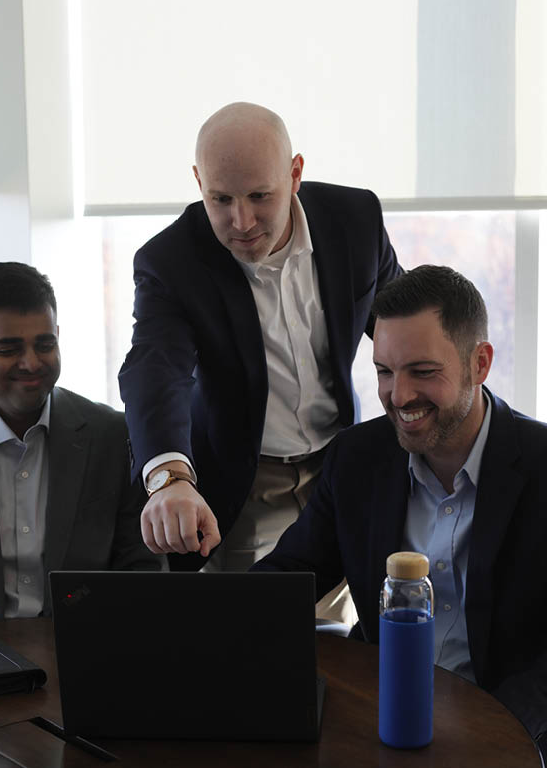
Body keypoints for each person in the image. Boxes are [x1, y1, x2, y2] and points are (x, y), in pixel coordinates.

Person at [119, 101, 401, 621]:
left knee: (343, 645)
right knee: (249, 639)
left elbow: (401, 325)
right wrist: (169, 478)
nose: (240, 221)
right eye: (220, 198)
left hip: (338, 467)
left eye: (259, 197)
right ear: (198, 180)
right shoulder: (171, 260)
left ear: (295, 174)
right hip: (247, 484)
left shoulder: (356, 219)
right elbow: (156, 369)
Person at [252, 264, 547, 756]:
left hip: (510, 731)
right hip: (381, 721)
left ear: (480, 363)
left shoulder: (542, 467)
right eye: (384, 372)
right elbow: (289, 577)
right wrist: (202, 623)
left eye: (423, 372)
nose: (399, 396)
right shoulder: (356, 458)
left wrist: (491, 733)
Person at [0, 262, 164, 621]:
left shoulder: (112, 435)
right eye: (8, 349)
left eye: (45, 344)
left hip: (87, 642)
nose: (31, 363)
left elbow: (142, 569)